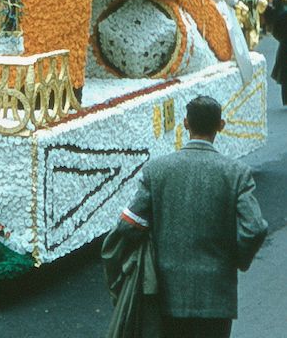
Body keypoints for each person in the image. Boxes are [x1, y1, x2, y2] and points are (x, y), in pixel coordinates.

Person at [114, 95, 267, 338]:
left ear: (185, 123)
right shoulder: (237, 172)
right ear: (221, 125)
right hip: (216, 296)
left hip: (167, 293)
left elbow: (128, 224)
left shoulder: (157, 170)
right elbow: (255, 228)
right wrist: (236, 259)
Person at [261, 4, 287, 106]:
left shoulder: (283, 15)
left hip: (285, 47)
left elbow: (276, 31)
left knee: (285, 74)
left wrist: (282, 39)